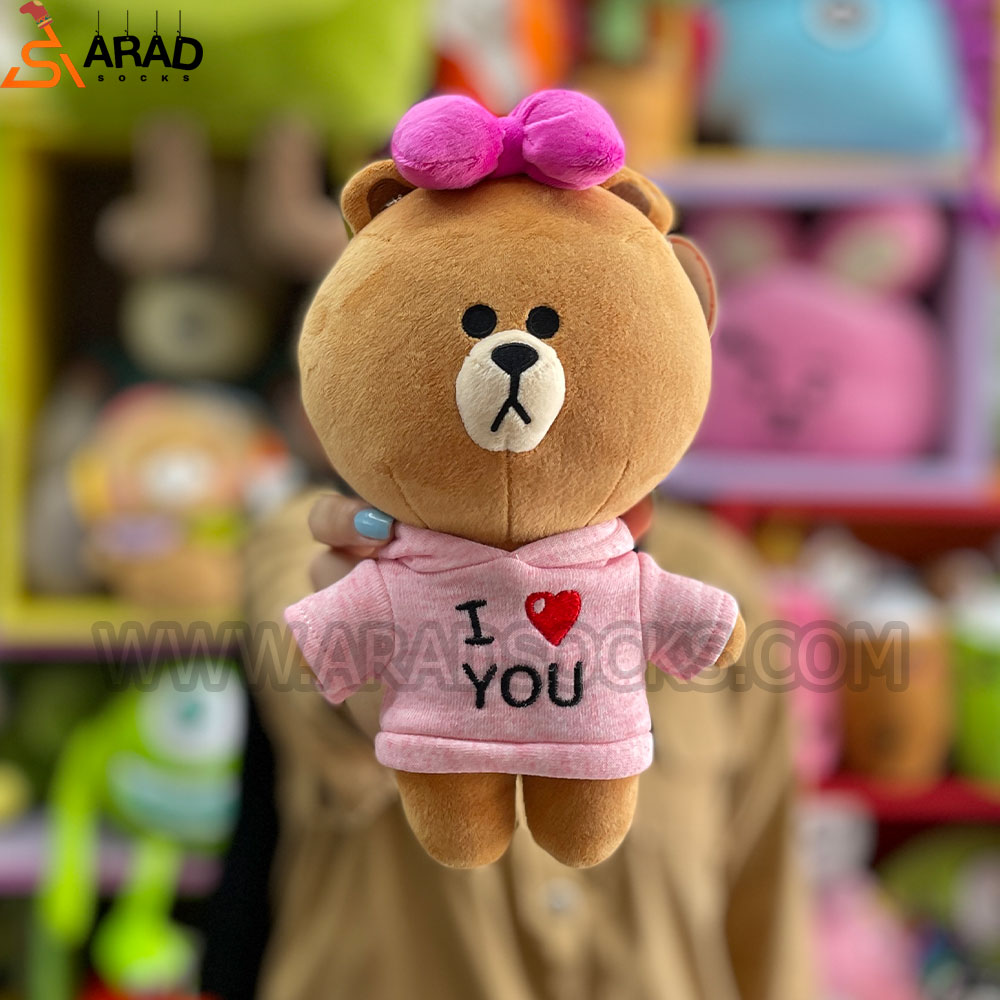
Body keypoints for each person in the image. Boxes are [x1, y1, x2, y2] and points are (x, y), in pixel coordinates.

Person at [221, 488, 812, 1000]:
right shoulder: (313, 545)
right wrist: (394, 623)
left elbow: (765, 884)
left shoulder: (711, 568)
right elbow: (312, 688)